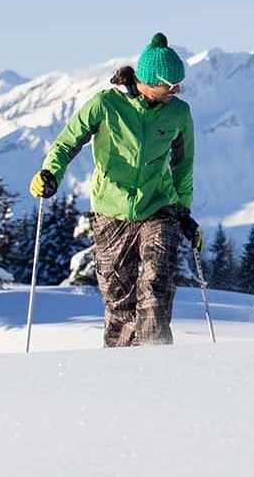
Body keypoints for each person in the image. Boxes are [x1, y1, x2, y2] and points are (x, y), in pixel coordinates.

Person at [29, 33, 199, 346]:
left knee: (156, 285)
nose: (176, 90)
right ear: (148, 81)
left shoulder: (178, 113)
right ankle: (122, 374)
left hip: (158, 206)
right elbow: (68, 142)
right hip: (110, 212)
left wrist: (183, 209)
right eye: (170, 84)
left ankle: (158, 361)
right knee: (119, 302)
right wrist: (49, 173)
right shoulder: (105, 105)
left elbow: (183, 165)